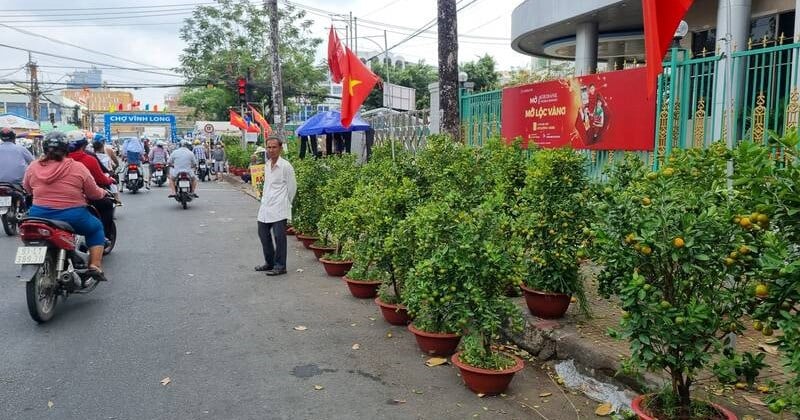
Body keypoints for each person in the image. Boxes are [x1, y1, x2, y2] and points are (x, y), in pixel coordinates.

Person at [23, 131, 109, 281]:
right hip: (72, 215)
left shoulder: (33, 167)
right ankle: (95, 265)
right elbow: (93, 193)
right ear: (66, 149)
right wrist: (103, 193)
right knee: (96, 228)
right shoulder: (78, 167)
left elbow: (27, 189)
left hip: (37, 215)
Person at [256, 137, 296, 276]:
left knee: (279, 238)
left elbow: (292, 188)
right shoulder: (267, 165)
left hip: (279, 207)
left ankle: (280, 266)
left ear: (280, 149)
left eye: (274, 147)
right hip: (266, 206)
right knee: (263, 234)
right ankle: (270, 262)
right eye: (269, 147)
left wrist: (286, 203)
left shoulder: (286, 166)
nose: (271, 150)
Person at [67, 131, 116, 242]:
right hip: (76, 202)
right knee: (106, 205)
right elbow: (96, 185)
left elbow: (28, 188)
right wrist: (106, 185)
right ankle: (103, 237)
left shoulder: (42, 164)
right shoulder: (85, 161)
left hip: (40, 209)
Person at [92, 138, 122, 205]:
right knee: (113, 182)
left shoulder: (90, 156)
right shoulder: (106, 155)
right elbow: (110, 167)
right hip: (104, 175)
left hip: (93, 176)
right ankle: (117, 199)